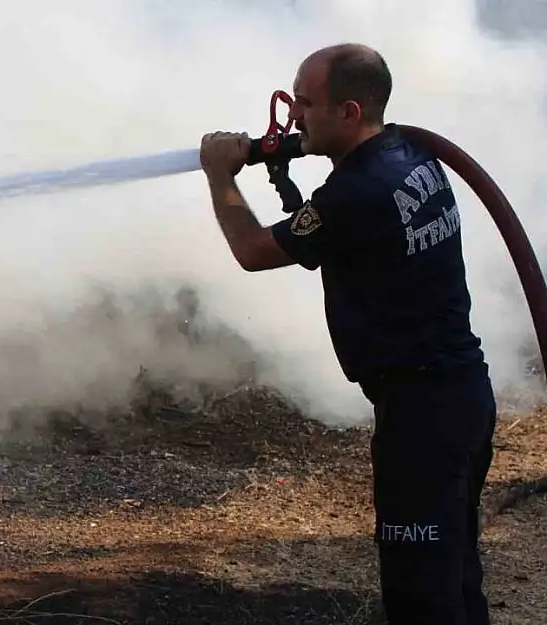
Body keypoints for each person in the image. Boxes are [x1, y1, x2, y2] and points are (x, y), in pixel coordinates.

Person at [198, 43, 497, 625]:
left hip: (421, 414)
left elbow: (254, 252)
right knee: (455, 575)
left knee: (422, 597)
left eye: (306, 105)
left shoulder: (357, 194)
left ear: (350, 112)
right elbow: (331, 222)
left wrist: (220, 176)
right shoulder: (411, 153)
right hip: (460, 394)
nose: (294, 118)